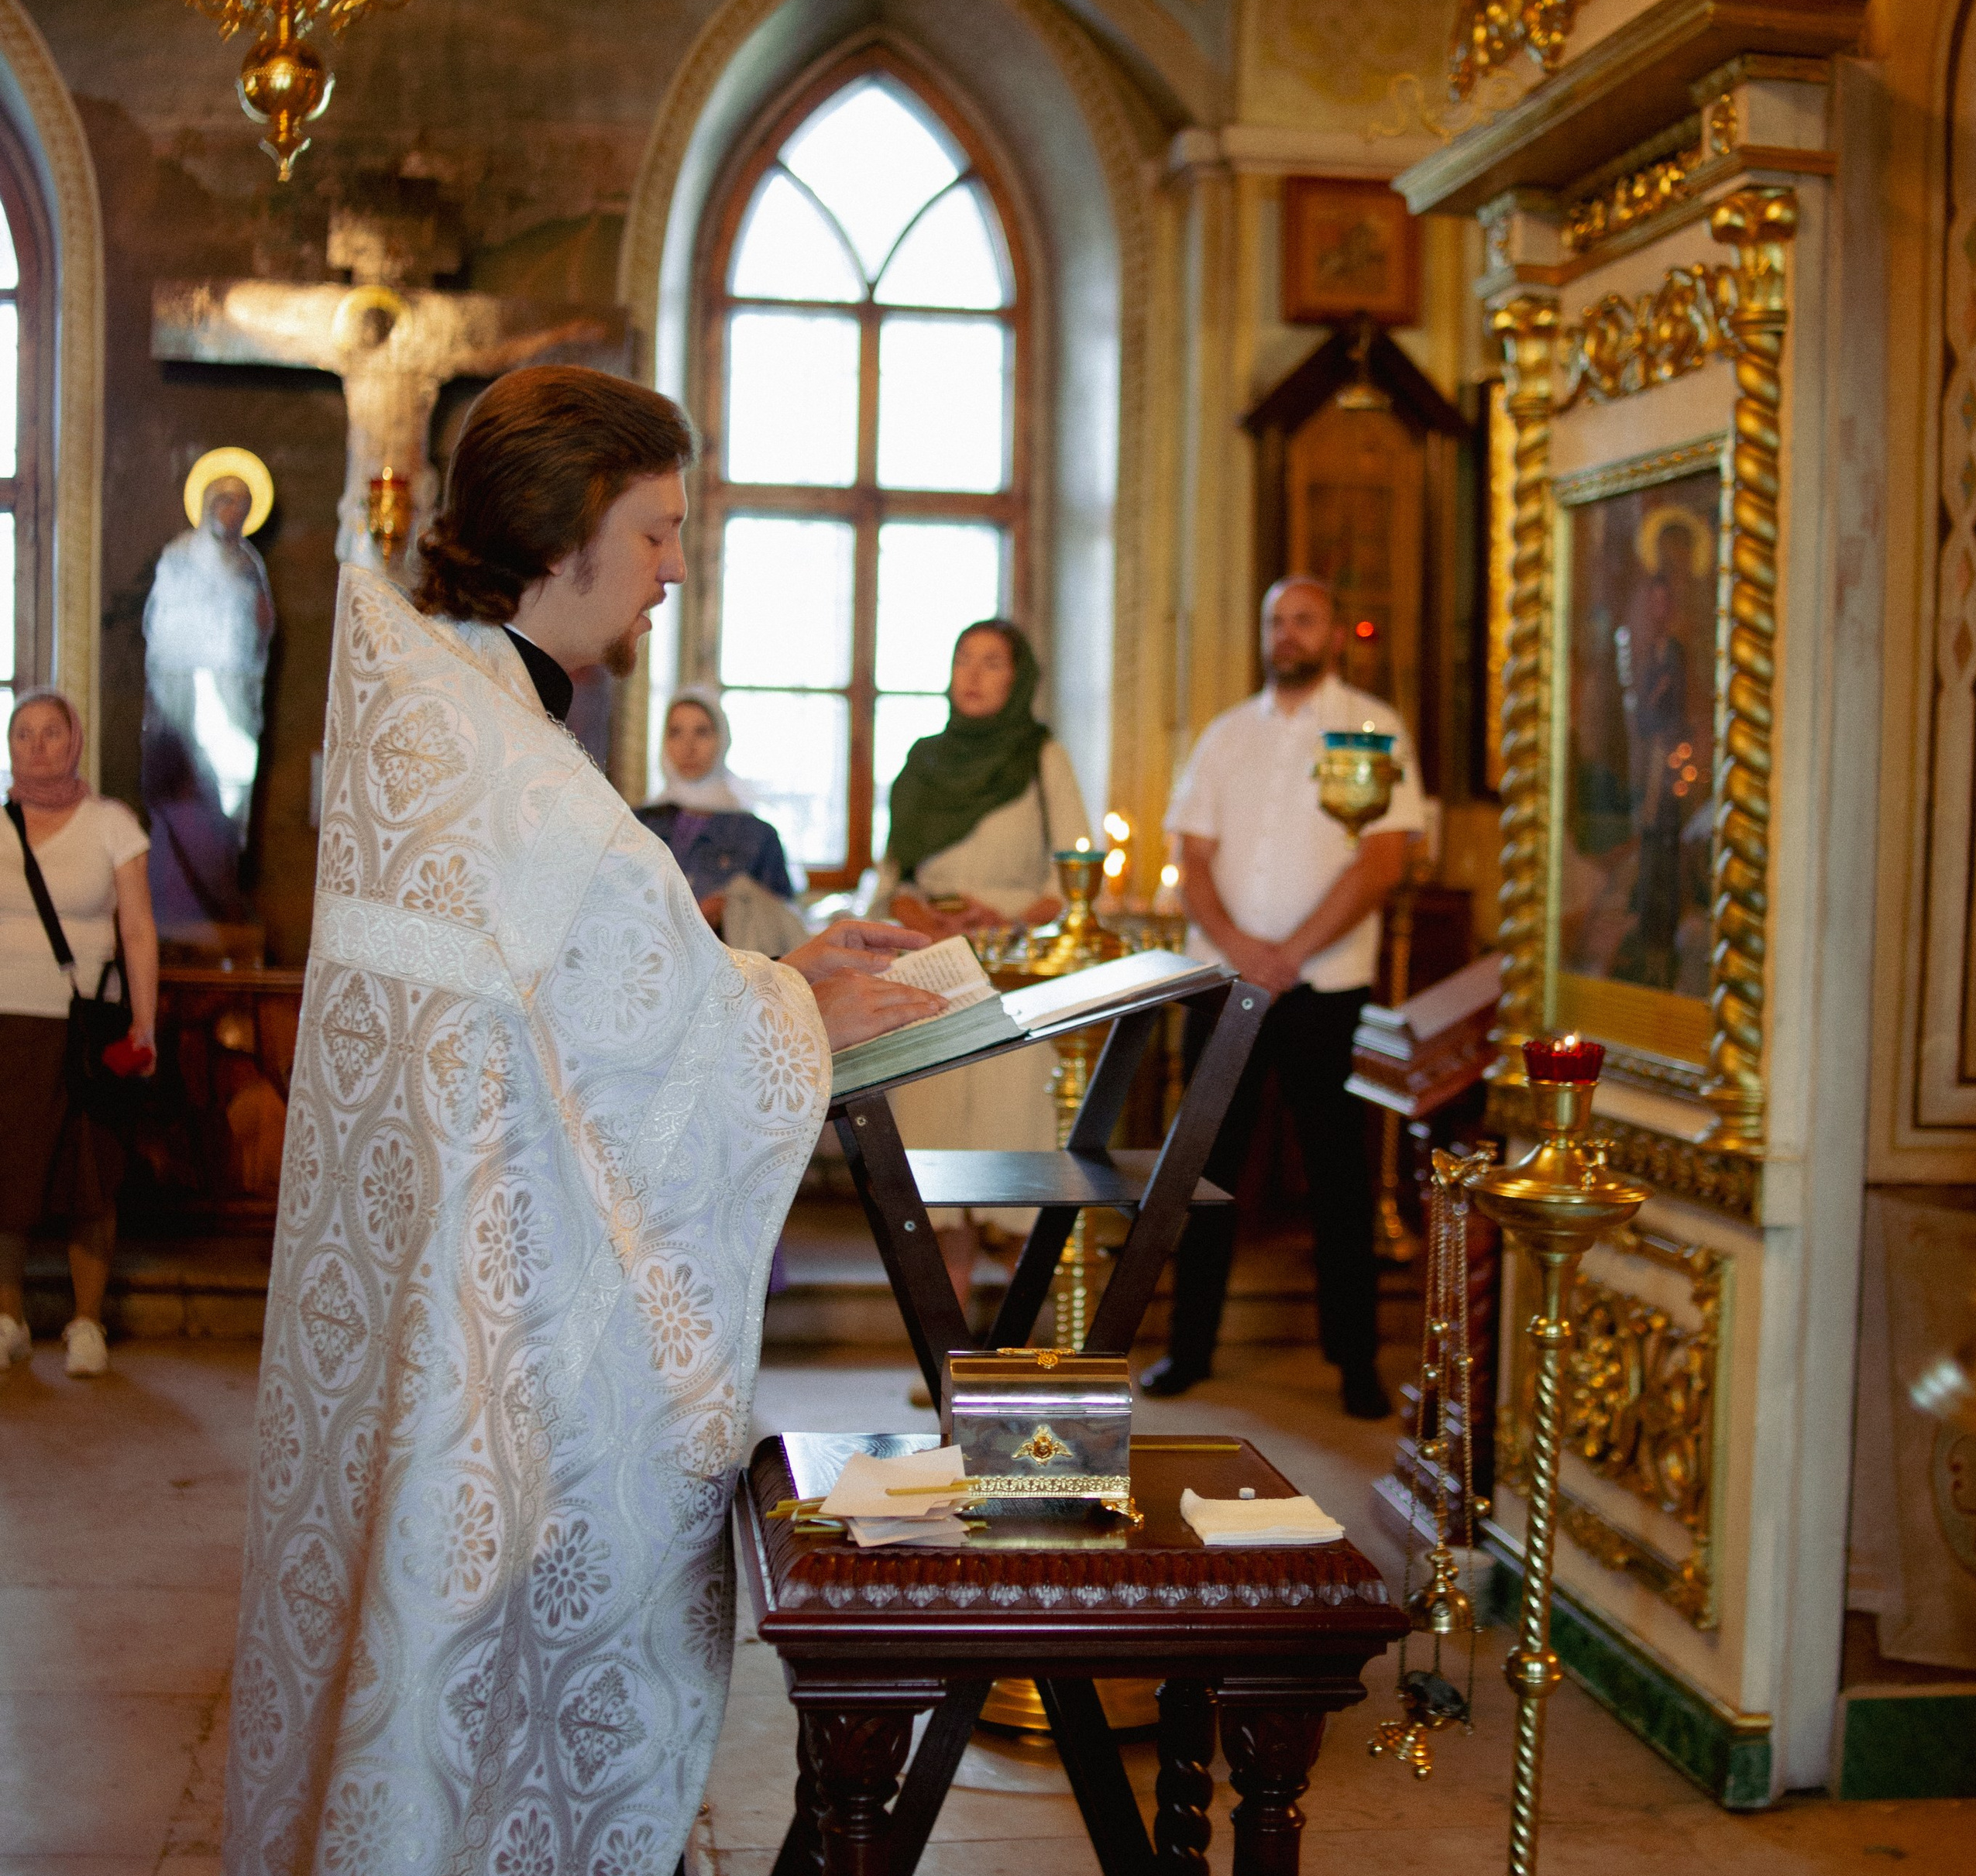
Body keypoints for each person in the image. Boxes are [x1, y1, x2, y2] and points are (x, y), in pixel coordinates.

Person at [221, 366, 943, 1873]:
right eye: (660, 529)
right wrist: (798, 1020)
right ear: (565, 537)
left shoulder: (468, 711)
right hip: (497, 1331)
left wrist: (780, 975)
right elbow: (606, 1024)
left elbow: (586, 987)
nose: (677, 566)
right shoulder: (508, 759)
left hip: (461, 1301)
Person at [1140, 576, 1424, 1419]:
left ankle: (1355, 1363)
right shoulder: (1225, 736)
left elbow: (1383, 860)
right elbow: (1189, 859)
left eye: (1303, 620)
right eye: (1275, 621)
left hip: (1323, 989)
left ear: (1334, 632)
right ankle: (1188, 1349)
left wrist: (1289, 954)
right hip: (1225, 985)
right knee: (1205, 1171)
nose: (1287, 634)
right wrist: (1243, 953)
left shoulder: (1371, 727)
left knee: (1337, 1178)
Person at [872, 620, 1090, 1307]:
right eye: (963, 658)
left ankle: (1037, 1345)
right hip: (930, 977)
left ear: (1018, 678)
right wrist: (913, 911)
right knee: (937, 1160)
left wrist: (999, 913)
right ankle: (949, 1346)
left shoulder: (1041, 756)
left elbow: (1076, 882)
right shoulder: (923, 757)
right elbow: (892, 879)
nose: (972, 674)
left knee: (1008, 1151)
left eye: (992, 662)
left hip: (1012, 980)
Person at [0, 689, 159, 1380]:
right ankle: (7, 1319)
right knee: (8, 1174)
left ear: (76, 741)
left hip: (86, 1024)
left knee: (89, 1175)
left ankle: (86, 1322)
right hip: (6, 1020)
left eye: (50, 733)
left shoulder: (110, 824)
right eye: (22, 734)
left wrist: (145, 1023)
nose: (37, 746)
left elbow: (138, 929)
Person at [142, 470, 275, 936]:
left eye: (241, 505)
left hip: (233, 690)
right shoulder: (179, 556)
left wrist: (255, 622)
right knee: (183, 789)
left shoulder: (249, 563)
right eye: (225, 502)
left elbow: (261, 631)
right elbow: (160, 627)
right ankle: (180, 894)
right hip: (185, 689)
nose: (232, 512)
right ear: (207, 506)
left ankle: (222, 883)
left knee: (228, 789)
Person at [635, 686, 796, 926]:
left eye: (702, 732)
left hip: (732, 958)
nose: (688, 746)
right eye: (676, 732)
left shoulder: (757, 834)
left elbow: (785, 919)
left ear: (722, 738)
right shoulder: (637, 823)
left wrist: (733, 907)